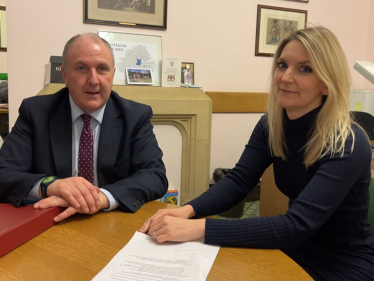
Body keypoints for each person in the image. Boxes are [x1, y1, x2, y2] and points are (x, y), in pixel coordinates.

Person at [140, 26, 374, 280]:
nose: (285, 77)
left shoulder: (348, 141)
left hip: (341, 262)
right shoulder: (271, 124)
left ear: (327, 84)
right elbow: (238, 182)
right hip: (291, 248)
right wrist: (188, 210)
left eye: (305, 69)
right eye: (282, 65)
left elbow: (298, 225)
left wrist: (198, 227)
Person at [0, 33, 168, 222]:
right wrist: (50, 185)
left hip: (111, 221)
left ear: (112, 74)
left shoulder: (135, 116)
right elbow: (3, 172)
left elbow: (154, 175)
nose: (94, 80)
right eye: (81, 68)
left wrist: (101, 198)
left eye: (102, 69)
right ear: (64, 74)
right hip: (50, 221)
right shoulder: (36, 112)